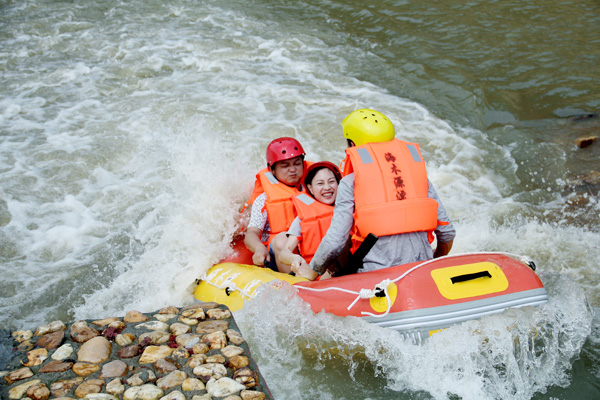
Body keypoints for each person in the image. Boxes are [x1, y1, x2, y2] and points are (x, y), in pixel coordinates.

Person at [293, 109, 456, 280]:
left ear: (352, 145)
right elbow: (447, 233)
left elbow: (335, 242)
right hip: (420, 270)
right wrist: (434, 262)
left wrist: (312, 272)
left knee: (347, 238)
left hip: (376, 277)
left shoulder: (349, 183)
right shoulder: (420, 178)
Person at [243, 137, 309, 270]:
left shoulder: (314, 188)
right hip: (279, 257)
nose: (292, 170)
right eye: (285, 166)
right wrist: (259, 248)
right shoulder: (264, 199)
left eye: (297, 163)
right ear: (272, 169)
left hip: (310, 251)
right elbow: (251, 233)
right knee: (282, 239)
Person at [275, 161, 342, 274]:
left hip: (347, 268)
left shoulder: (350, 210)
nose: (327, 187)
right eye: (320, 184)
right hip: (316, 274)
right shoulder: (303, 218)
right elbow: (284, 253)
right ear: (310, 189)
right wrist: (294, 259)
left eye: (331, 182)